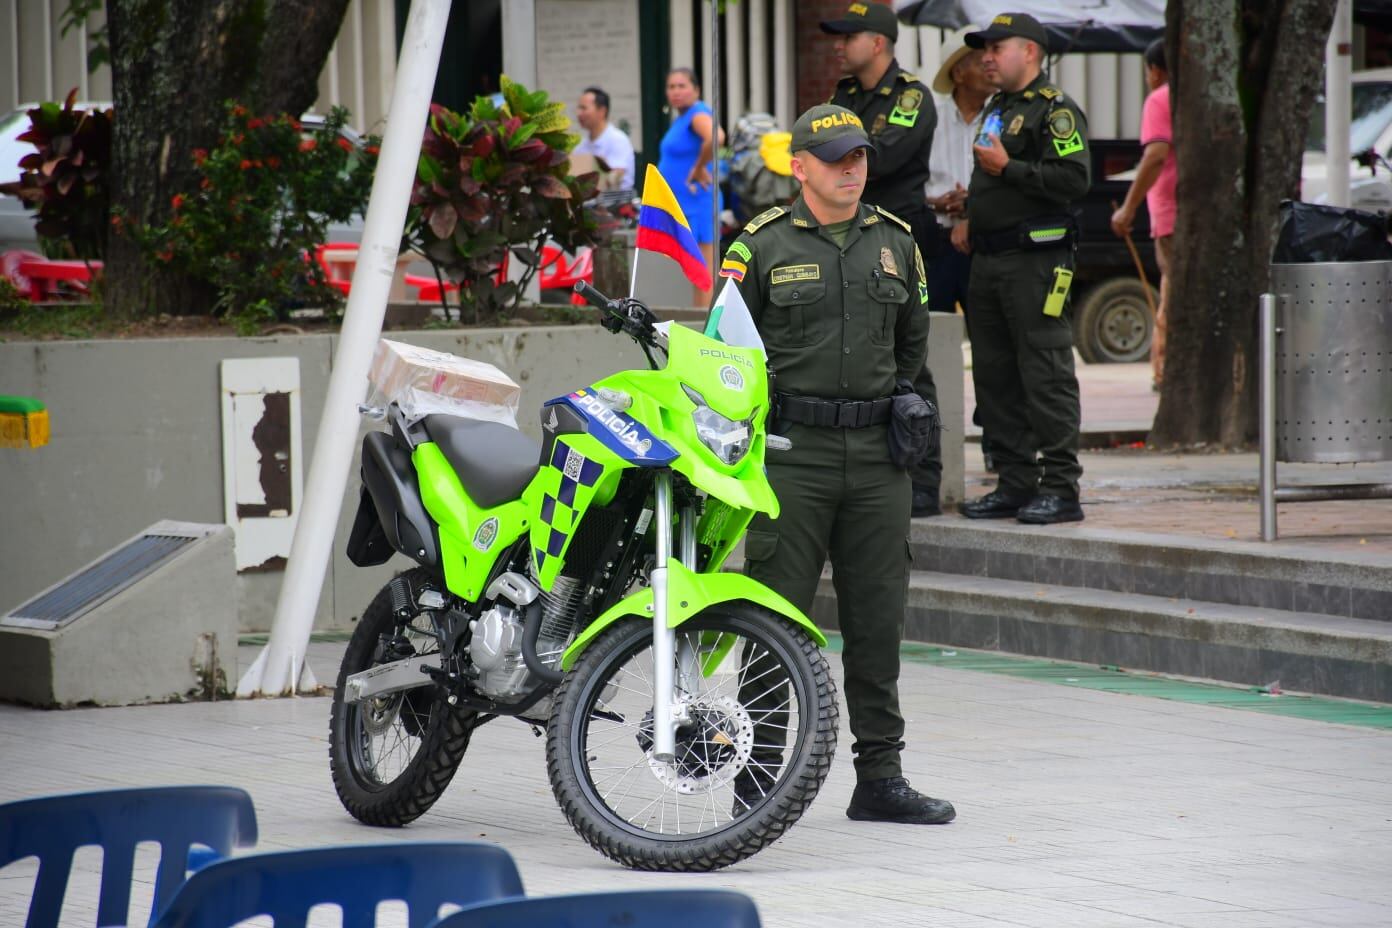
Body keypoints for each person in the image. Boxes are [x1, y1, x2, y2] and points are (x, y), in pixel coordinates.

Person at [722, 103, 955, 826]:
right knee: (773, 618)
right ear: (798, 167)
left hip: (878, 457)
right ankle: (757, 776)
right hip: (794, 455)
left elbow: (912, 349)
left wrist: (910, 436)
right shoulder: (756, 248)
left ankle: (880, 778)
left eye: (858, 157)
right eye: (835, 159)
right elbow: (727, 357)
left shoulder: (897, 244)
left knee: (878, 621)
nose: (852, 170)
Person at [956, 13, 1090, 525]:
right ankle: (1015, 483)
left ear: (1029, 52)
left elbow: (1075, 178)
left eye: (997, 47)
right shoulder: (1000, 106)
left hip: (1035, 262)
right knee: (995, 376)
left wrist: (1007, 169)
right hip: (989, 261)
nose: (986, 56)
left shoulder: (1054, 111)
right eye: (983, 49)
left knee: (1045, 372)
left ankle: (1060, 487)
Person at [821, 1, 944, 517]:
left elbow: (882, 155)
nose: (837, 45)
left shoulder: (911, 95)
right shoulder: (845, 96)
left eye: (848, 36)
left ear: (877, 42)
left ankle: (924, 477)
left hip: (899, 237)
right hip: (848, 235)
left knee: (911, 358)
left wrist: (836, 152)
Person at [926, 25, 1000, 473]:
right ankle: (930, 436)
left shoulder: (1001, 115)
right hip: (936, 238)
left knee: (991, 346)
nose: (988, 67)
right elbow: (914, 178)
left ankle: (995, 436)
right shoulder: (930, 118)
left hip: (983, 238)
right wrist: (937, 202)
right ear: (958, 74)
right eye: (978, 62)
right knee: (929, 342)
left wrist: (971, 203)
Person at [1110, 39, 1174, 392]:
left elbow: (1156, 155)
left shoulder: (1160, 98)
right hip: (1190, 216)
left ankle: (1164, 373)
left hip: (1173, 215)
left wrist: (1128, 207)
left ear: (1155, 70)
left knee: (1173, 292)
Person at [658, 67, 724, 306]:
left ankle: (705, 329)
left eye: (682, 86)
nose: (676, 91)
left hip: (698, 202)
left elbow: (716, 137)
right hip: (684, 203)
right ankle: (700, 322)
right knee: (694, 270)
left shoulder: (698, 113)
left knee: (702, 270)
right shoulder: (682, 118)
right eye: (671, 87)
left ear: (696, 90)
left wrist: (698, 168)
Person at [573, 86, 635, 194]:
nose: (579, 113)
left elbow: (615, 178)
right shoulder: (581, 146)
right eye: (579, 108)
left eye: (584, 108)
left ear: (602, 111)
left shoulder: (618, 140)